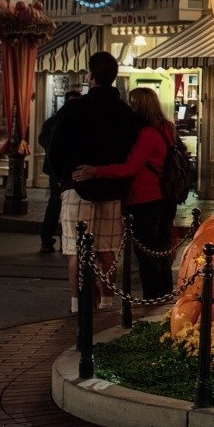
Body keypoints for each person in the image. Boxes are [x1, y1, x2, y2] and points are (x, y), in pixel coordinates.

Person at [45, 53, 138, 310]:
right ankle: (107, 301)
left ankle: (77, 304)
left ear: (91, 76)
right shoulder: (124, 113)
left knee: (76, 251)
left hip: (77, 188)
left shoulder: (74, 109)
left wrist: (64, 180)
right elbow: (130, 151)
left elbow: (54, 149)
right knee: (107, 250)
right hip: (112, 189)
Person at [74, 88, 177, 298]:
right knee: (160, 251)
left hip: (145, 199)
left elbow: (130, 167)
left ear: (138, 106)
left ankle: (153, 297)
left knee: (147, 254)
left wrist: (96, 171)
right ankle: (164, 295)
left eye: (131, 103)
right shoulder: (166, 128)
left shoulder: (147, 134)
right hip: (165, 198)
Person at [36, 88, 81, 254]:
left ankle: (57, 239)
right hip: (60, 170)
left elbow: (45, 141)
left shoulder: (56, 121)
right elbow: (45, 141)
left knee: (59, 205)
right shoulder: (57, 122)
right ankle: (51, 239)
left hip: (62, 169)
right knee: (57, 205)